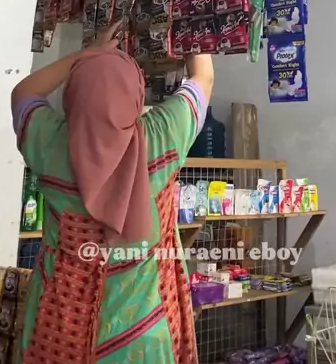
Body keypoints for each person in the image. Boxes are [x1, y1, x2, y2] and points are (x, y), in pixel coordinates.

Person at [11, 21, 214, 363]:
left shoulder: (49, 144)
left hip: (58, 333)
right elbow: (203, 77)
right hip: (143, 334)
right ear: (135, 96)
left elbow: (23, 94)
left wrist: (86, 55)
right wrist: (189, 17)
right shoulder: (162, 136)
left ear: (73, 95)